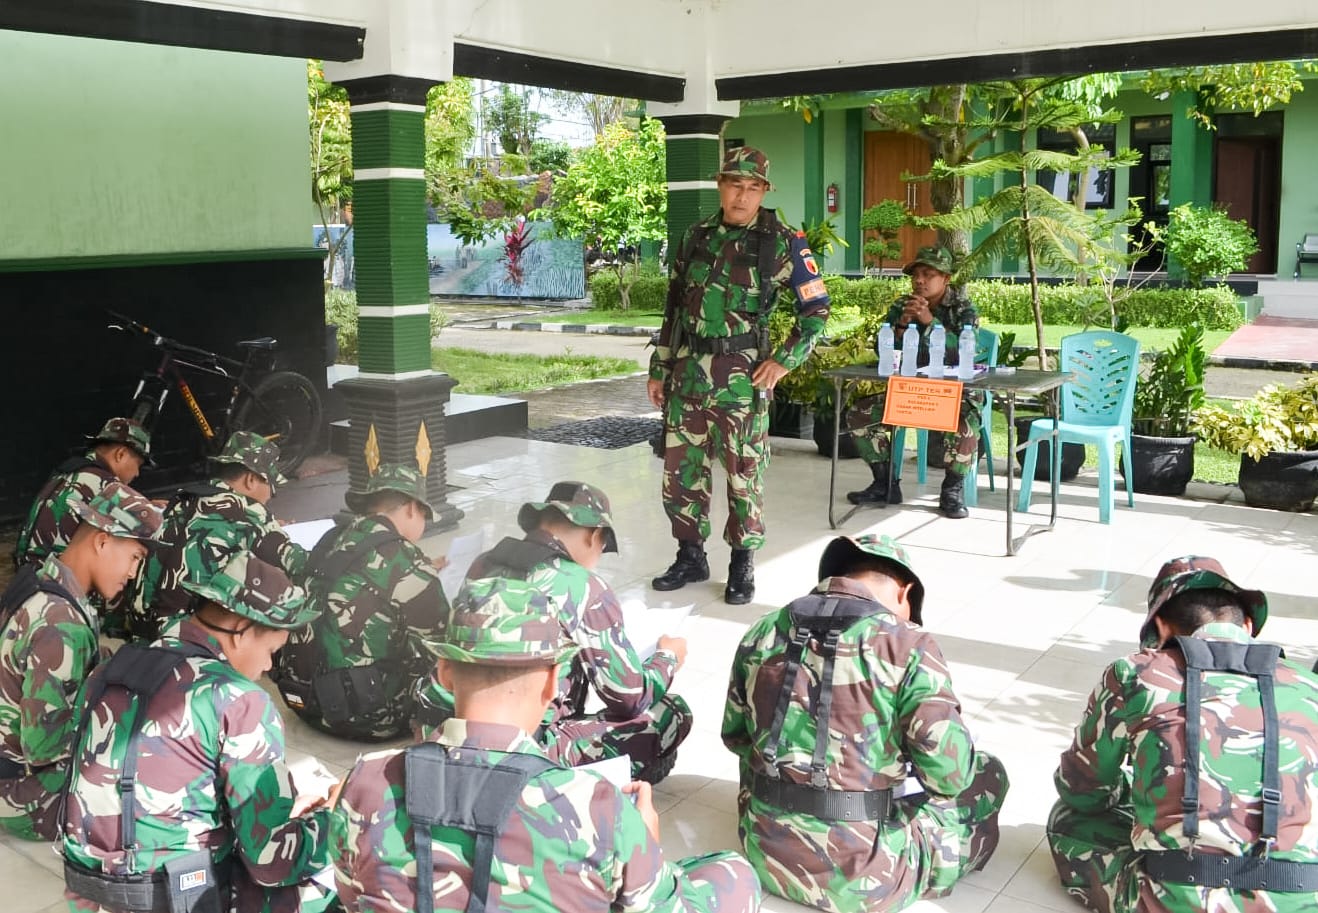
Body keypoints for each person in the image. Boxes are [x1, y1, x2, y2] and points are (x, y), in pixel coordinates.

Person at [332, 573, 761, 913]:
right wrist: (646, 844)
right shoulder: (595, 805)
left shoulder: (368, 783)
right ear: (553, 681)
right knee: (734, 872)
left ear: (444, 674)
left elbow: (351, 896)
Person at [723, 534, 1008, 912]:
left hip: (763, 853)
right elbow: (950, 777)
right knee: (988, 774)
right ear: (904, 593)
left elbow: (736, 736)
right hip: (866, 879)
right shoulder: (907, 644)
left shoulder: (763, 629)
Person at [62, 550, 337, 913]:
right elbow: (271, 863)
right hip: (182, 896)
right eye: (272, 650)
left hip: (95, 891)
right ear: (242, 631)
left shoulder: (112, 670)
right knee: (333, 877)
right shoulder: (239, 699)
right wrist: (333, 818)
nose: (269, 667)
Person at [1047, 555, 1318, 913]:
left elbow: (1082, 790)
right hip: (1300, 898)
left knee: (1068, 820)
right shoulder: (1308, 686)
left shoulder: (1134, 674)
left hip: (1180, 898)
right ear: (1249, 625)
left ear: (1160, 630)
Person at [648, 145, 831, 605]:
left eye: (752, 188)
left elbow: (816, 309)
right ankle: (690, 554)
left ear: (764, 191)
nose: (742, 196)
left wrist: (785, 359)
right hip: (688, 376)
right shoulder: (694, 237)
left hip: (743, 380)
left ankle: (742, 563)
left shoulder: (784, 241)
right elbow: (673, 308)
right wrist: (660, 367)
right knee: (681, 473)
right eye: (734, 184)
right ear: (720, 185)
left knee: (743, 474)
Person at [414, 481, 692, 782]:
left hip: (443, 727)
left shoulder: (484, 563)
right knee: (671, 712)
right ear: (595, 536)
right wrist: (667, 657)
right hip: (522, 745)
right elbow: (628, 698)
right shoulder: (581, 585)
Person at [0, 482, 163, 842]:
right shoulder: (62, 623)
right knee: (157, 771)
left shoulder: (45, 581)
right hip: (24, 798)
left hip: (10, 768)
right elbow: (42, 746)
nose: (134, 573)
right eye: (135, 557)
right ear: (103, 541)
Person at [273, 463, 449, 740]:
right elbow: (440, 641)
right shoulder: (406, 559)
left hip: (303, 702)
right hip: (370, 719)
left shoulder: (330, 539)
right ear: (412, 508)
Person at [844, 246, 982, 519]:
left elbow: (963, 353)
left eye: (928, 274)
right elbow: (881, 350)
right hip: (910, 392)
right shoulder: (901, 305)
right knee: (859, 415)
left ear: (946, 278)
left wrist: (929, 322)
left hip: (953, 394)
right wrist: (901, 325)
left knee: (967, 426)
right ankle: (885, 484)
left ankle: (951, 492)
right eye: (915, 275)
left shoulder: (963, 309)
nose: (919, 281)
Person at [131, 430, 307, 641]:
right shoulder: (248, 510)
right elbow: (296, 563)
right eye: (271, 486)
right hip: (186, 637)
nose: (271, 496)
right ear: (251, 479)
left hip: (142, 628)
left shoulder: (186, 498)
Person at [14, 417, 154, 568]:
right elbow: (149, 529)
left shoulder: (67, 472)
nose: (137, 473)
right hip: (54, 579)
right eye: (138, 464)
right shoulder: (105, 484)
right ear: (120, 454)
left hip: (25, 575)